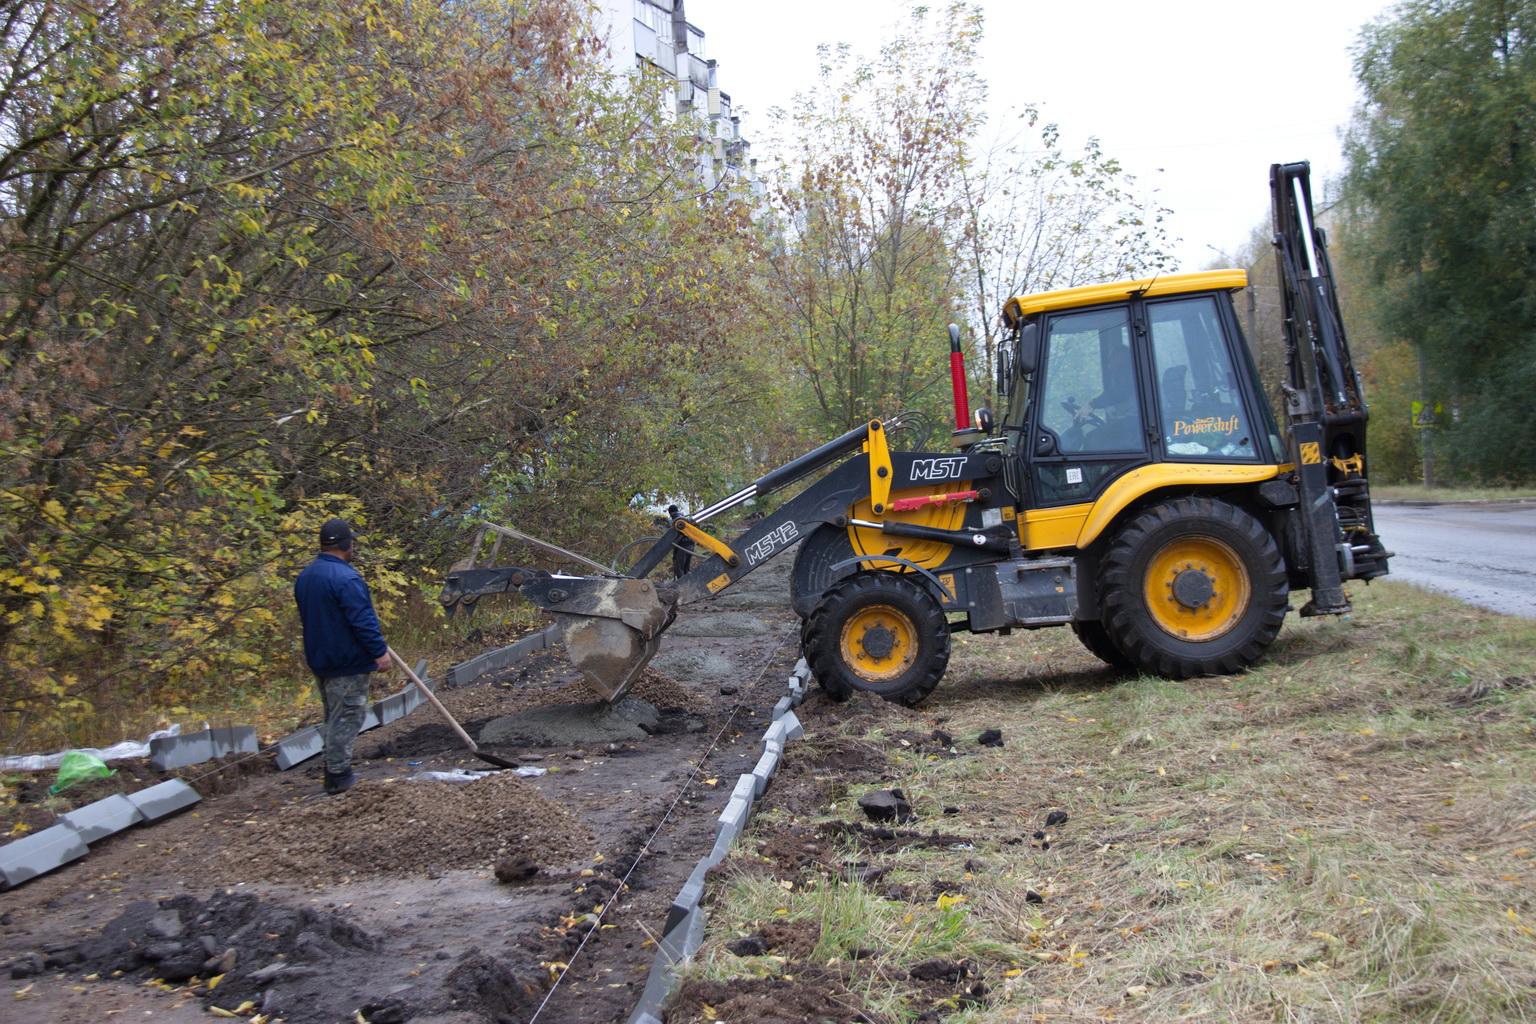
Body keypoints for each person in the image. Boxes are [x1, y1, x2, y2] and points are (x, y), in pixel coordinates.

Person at [293, 518, 390, 795]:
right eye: (352, 542)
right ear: (346, 545)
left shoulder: (306, 577)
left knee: (333, 717)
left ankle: (333, 767)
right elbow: (362, 621)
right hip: (347, 661)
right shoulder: (346, 578)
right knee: (347, 716)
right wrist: (379, 652)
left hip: (321, 659)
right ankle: (338, 775)